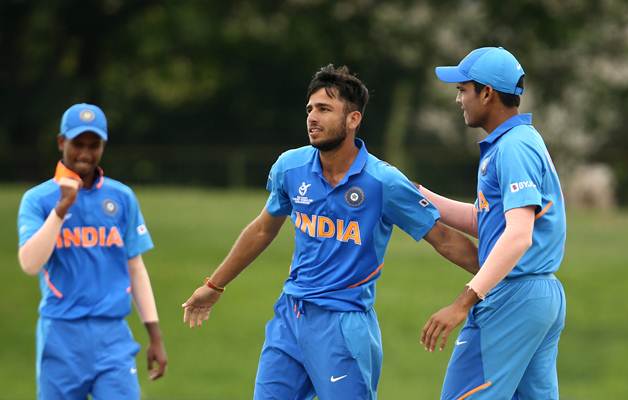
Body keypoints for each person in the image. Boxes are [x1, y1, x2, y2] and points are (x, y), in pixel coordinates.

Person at [181, 64, 479, 399]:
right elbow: (263, 229)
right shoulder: (290, 167)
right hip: (289, 317)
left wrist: (496, 276)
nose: (312, 117)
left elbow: (443, 238)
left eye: (324, 109)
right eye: (309, 109)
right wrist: (214, 284)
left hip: (344, 325)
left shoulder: (383, 182)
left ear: (353, 119)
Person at [418, 47, 567, 400]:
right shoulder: (515, 142)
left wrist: (463, 302)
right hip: (539, 296)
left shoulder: (513, 148)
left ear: (486, 93)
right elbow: (487, 220)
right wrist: (419, 195)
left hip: (513, 295)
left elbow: (518, 236)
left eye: (463, 90)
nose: (458, 100)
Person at [17, 103, 168, 399]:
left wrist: (155, 335)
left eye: (93, 145)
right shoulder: (38, 200)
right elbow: (30, 264)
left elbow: (135, 267)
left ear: (103, 146)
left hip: (112, 336)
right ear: (62, 142)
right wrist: (61, 210)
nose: (85, 153)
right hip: (60, 336)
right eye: (77, 144)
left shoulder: (121, 197)